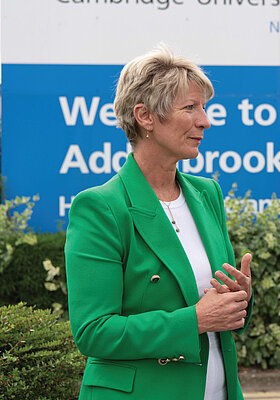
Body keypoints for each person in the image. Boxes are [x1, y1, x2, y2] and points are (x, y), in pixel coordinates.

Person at [65, 45, 253, 400]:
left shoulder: (207, 193)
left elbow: (219, 310)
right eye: (190, 108)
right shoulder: (100, 207)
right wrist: (194, 320)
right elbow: (94, 332)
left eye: (204, 107)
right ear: (145, 117)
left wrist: (238, 295)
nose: (205, 121)